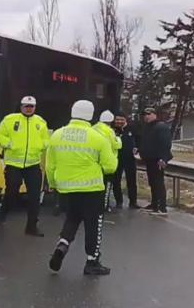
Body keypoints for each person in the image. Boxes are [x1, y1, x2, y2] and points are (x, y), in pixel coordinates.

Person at [47, 100, 117, 276]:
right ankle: (92, 261)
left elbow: (50, 166)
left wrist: (53, 184)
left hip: (66, 189)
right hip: (92, 189)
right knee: (94, 224)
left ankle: (62, 244)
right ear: (91, 115)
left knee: (72, 218)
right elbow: (110, 167)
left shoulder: (56, 135)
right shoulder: (98, 138)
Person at [0, 96, 50, 236]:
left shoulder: (40, 122)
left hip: (33, 164)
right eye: (26, 106)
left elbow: (46, 139)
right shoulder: (10, 120)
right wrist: (8, 144)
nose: (28, 108)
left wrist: (41, 146)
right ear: (21, 107)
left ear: (35, 108)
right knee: (12, 191)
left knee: (34, 196)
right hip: (14, 163)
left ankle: (31, 227)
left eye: (31, 106)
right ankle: (3, 211)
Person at [138, 108, 173, 215]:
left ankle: (161, 207)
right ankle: (154, 204)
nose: (146, 116)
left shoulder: (161, 126)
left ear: (154, 115)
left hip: (158, 160)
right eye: (144, 115)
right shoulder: (147, 128)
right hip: (149, 159)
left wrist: (164, 158)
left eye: (148, 114)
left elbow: (166, 144)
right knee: (152, 183)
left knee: (158, 183)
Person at [93, 110, 122, 212]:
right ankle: (104, 206)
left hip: (95, 162)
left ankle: (94, 205)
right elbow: (117, 145)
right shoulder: (109, 131)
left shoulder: (93, 128)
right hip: (107, 163)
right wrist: (118, 139)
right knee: (106, 186)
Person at [113, 111, 139, 209]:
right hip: (116, 159)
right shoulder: (112, 130)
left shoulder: (132, 128)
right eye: (117, 120)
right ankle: (119, 202)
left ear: (125, 120)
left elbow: (139, 140)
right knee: (116, 181)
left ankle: (133, 202)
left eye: (121, 120)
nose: (119, 122)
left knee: (131, 181)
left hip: (130, 159)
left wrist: (137, 148)